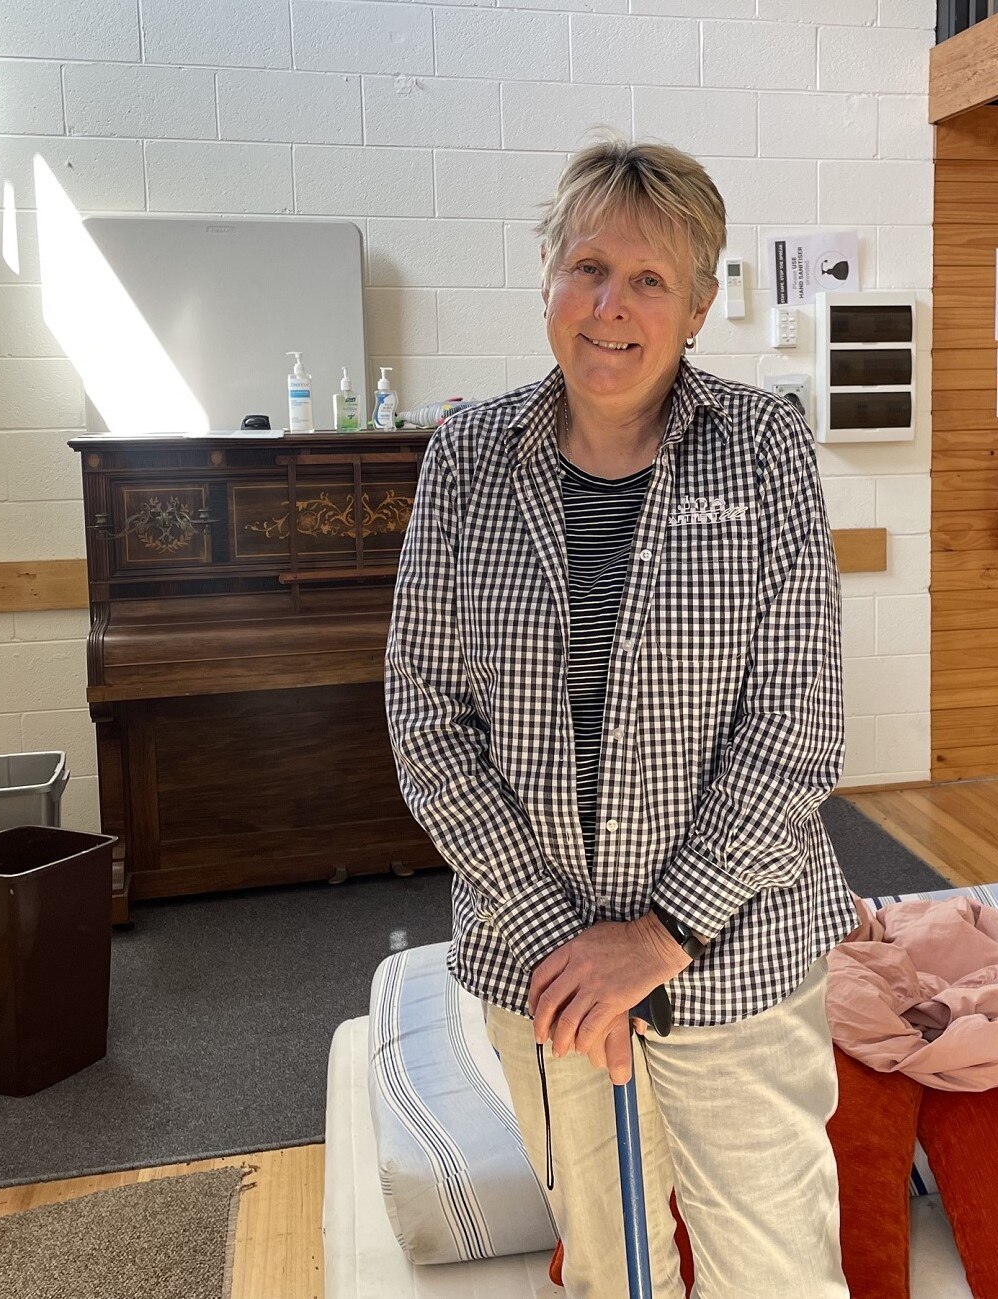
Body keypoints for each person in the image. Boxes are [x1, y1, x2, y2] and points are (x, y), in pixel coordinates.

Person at [385, 135, 855, 1298]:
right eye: (587, 266)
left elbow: (796, 722)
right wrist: (562, 941)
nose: (611, 305)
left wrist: (655, 938)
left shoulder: (761, 448)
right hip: (536, 968)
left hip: (734, 954)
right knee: (609, 1270)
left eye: (649, 279)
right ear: (544, 275)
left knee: (776, 1271)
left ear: (697, 306)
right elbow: (426, 719)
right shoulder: (467, 457)